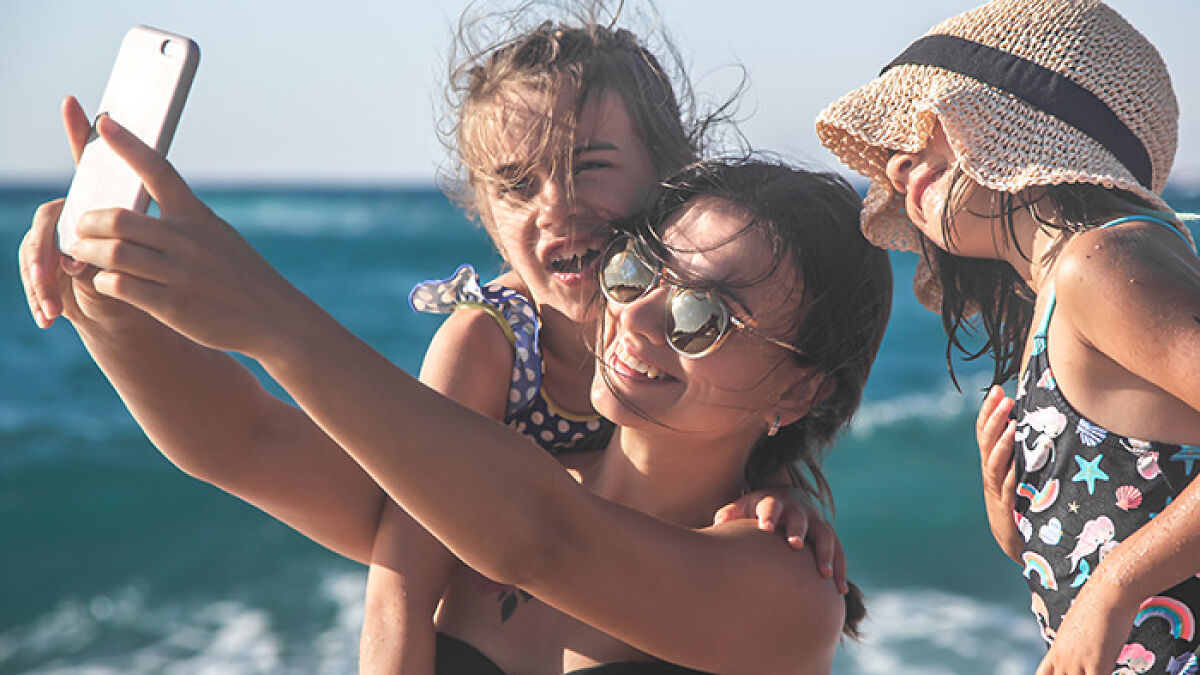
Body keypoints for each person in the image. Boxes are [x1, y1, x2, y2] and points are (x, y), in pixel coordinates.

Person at [18, 7, 844, 671]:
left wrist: (270, 314)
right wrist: (105, 302)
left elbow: (537, 537)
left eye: (703, 315)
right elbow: (248, 438)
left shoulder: (778, 577)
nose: (642, 316)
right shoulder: (486, 387)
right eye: (637, 280)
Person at [815, 0, 1200, 672]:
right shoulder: (1060, 291)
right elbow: (1118, 518)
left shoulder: (1097, 264)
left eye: (921, 127)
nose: (898, 166)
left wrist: (1114, 589)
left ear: (1014, 119)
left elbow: (1112, 574)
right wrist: (1017, 514)